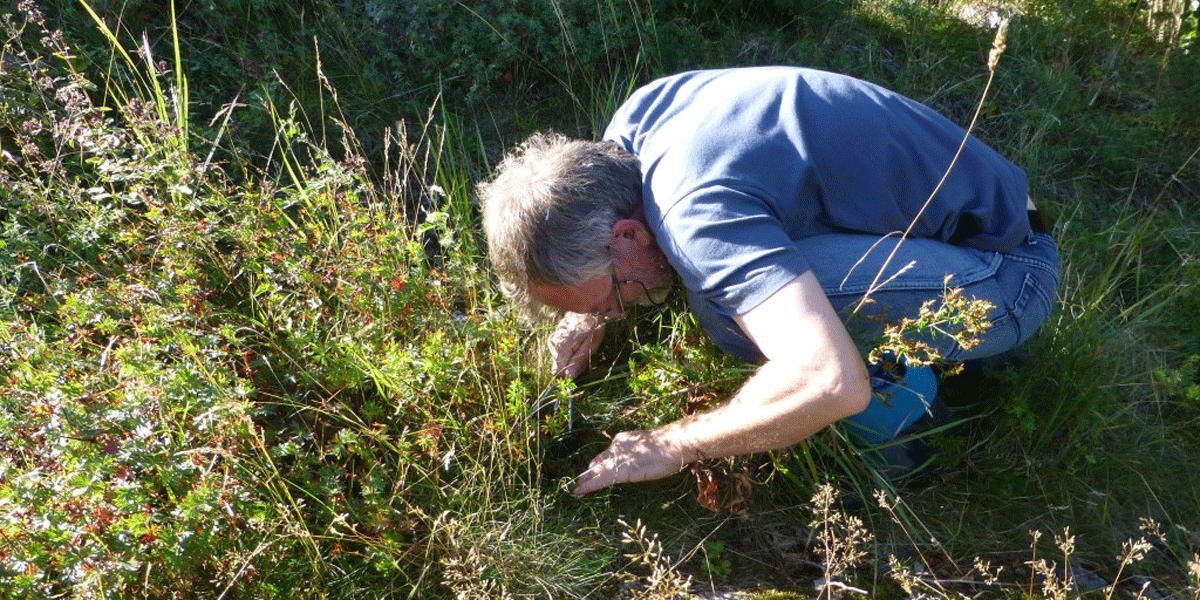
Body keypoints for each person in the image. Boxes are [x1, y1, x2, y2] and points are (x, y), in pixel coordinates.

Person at [476, 66, 1059, 496]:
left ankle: (905, 413)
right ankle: (941, 351)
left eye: (610, 299)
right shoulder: (631, 131)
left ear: (628, 236)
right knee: (733, 290)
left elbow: (829, 381)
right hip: (982, 216)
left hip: (1008, 272)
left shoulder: (697, 219)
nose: (613, 314)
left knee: (723, 309)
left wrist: (671, 444)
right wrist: (585, 309)